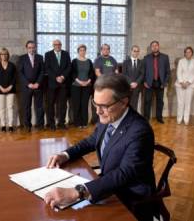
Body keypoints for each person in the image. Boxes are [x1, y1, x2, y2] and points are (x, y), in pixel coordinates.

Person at [45, 73, 156, 221]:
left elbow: (124, 174)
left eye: (104, 106)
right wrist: (65, 155)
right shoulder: (110, 117)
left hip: (130, 197)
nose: (97, 111)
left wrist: (77, 192)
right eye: (95, 104)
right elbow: (91, 141)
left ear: (124, 102)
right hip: (109, 185)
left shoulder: (140, 131)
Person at [45, 39, 71, 130]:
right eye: (56, 44)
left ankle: (61, 123)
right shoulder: (48, 54)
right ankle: (51, 124)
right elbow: (47, 68)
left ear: (61, 45)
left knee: (63, 105)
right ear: (53, 45)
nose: (58, 46)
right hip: (52, 83)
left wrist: (63, 76)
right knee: (50, 104)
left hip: (63, 83)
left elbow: (69, 66)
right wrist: (56, 77)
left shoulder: (66, 54)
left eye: (59, 44)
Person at [18, 40, 45, 132]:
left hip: (38, 86)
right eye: (29, 47)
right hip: (26, 87)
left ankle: (40, 125)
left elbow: (42, 71)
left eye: (33, 47)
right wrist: (28, 84)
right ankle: (27, 126)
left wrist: (38, 83)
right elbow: (20, 73)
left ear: (35, 48)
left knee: (40, 107)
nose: (31, 49)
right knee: (26, 107)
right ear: (27, 48)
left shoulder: (40, 57)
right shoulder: (22, 58)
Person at [143, 40, 170, 123]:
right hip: (149, 83)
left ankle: (159, 118)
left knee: (160, 101)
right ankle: (146, 118)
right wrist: (144, 82)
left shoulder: (165, 57)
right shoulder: (146, 58)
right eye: (153, 46)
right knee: (147, 101)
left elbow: (168, 72)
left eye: (156, 45)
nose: (154, 47)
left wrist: (165, 82)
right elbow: (143, 71)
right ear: (151, 48)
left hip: (160, 82)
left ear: (158, 46)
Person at [70, 44, 95, 128]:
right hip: (76, 86)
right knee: (77, 104)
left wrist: (88, 81)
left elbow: (92, 73)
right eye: (81, 50)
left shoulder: (89, 61)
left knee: (84, 104)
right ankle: (77, 123)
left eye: (84, 50)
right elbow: (72, 73)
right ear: (78, 51)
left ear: (85, 51)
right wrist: (80, 82)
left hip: (87, 86)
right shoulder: (74, 61)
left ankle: (84, 123)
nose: (82, 52)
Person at [0, 47, 16, 132]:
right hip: (0, 90)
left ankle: (10, 125)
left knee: (10, 108)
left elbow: (14, 78)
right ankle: (3, 125)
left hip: (11, 90)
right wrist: (1, 88)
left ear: (8, 55)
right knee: (2, 108)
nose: (4, 56)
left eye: (5, 54)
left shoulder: (12, 65)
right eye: (2, 54)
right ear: (0, 55)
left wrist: (10, 87)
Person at [175, 47, 194, 125]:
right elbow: (178, 72)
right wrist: (182, 82)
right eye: (186, 52)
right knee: (180, 102)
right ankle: (179, 118)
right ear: (184, 53)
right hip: (180, 85)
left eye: (189, 52)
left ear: (192, 53)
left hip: (190, 85)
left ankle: (186, 119)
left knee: (188, 102)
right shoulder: (181, 61)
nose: (188, 53)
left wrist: (188, 82)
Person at [121, 45, 144, 111]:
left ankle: (133, 119)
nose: (136, 52)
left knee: (135, 104)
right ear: (131, 51)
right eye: (134, 51)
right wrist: (130, 83)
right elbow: (124, 74)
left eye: (137, 51)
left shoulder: (141, 62)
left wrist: (136, 83)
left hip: (137, 87)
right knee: (127, 103)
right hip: (128, 86)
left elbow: (142, 74)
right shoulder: (126, 62)